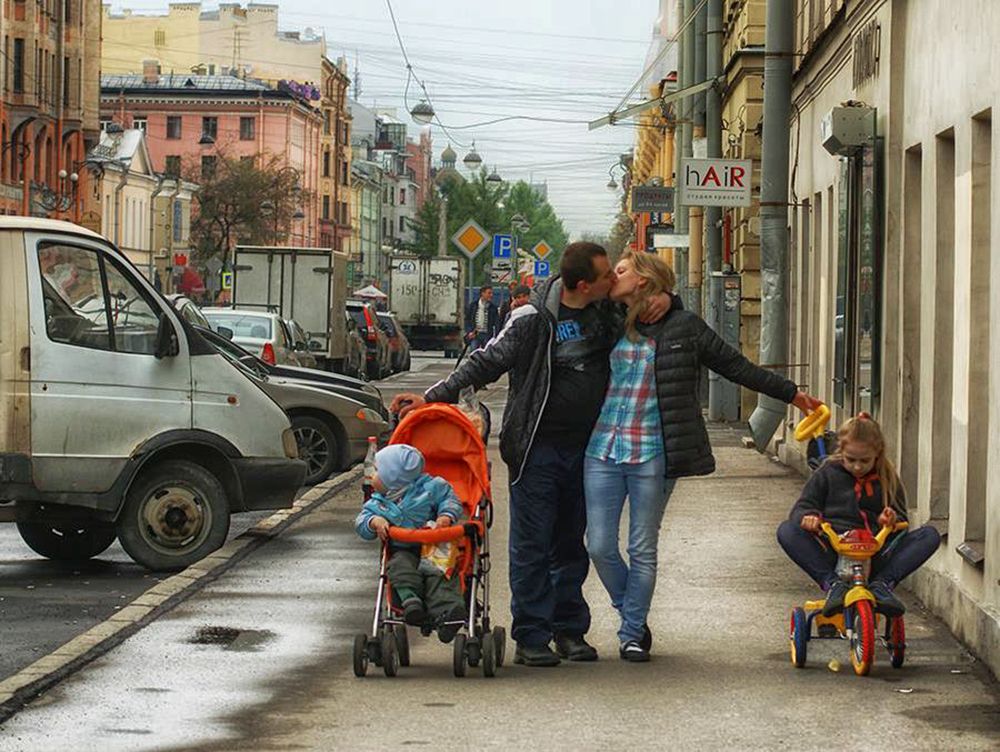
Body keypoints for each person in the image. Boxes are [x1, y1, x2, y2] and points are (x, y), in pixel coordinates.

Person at [391, 242, 672, 667]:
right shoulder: (532, 318)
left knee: (571, 544)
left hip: (589, 451)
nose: (613, 281)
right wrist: (432, 398)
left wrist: (669, 297)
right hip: (535, 449)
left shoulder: (606, 313)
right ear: (583, 284)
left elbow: (659, 319)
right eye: (605, 276)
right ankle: (532, 636)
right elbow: (484, 363)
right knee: (532, 545)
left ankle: (569, 630)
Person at [584, 251, 822, 662]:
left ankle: (631, 634)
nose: (611, 276)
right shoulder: (604, 319)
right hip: (602, 447)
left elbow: (735, 366)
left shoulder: (684, 326)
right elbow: (562, 294)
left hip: (654, 453)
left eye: (620, 271)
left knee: (642, 547)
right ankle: (632, 614)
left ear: (643, 280)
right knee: (600, 545)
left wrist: (791, 393)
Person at [777, 414, 941, 618]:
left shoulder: (887, 477)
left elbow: (901, 520)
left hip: (874, 551)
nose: (857, 466)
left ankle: (882, 585)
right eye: (850, 460)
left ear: (877, 454)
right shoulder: (828, 472)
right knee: (786, 530)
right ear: (841, 451)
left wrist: (890, 520)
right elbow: (802, 507)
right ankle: (833, 585)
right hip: (834, 548)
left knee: (930, 536)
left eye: (865, 461)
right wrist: (808, 517)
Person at [355, 444, 468, 642]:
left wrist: (446, 516)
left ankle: (448, 614)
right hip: (402, 549)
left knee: (441, 575)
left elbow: (451, 500)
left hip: (433, 548)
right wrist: (374, 522)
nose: (372, 476)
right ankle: (410, 601)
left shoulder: (432, 487)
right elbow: (361, 523)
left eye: (377, 472)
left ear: (393, 477)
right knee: (399, 568)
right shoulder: (377, 502)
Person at [464, 285, 500, 350]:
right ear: (482, 293)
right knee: (473, 352)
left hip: (487, 335)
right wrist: (469, 332)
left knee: (486, 353)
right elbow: (467, 320)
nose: (491, 295)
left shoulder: (493, 308)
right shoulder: (473, 306)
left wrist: (496, 336)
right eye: (489, 293)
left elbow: (497, 323)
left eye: (492, 293)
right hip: (475, 334)